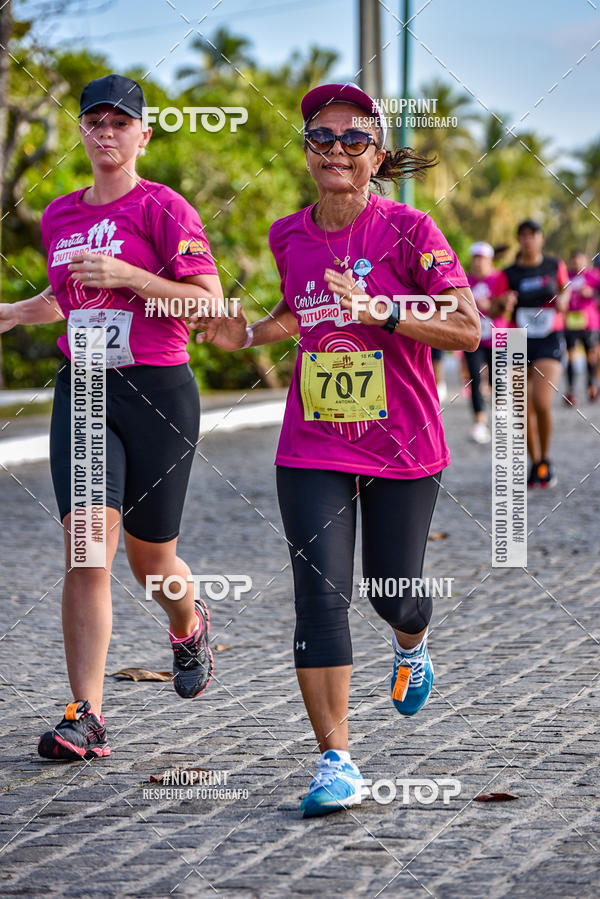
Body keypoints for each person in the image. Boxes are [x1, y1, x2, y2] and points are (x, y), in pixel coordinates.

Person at [199, 83, 479, 817]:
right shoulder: (288, 234)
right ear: (307, 152)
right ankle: (336, 759)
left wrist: (384, 308)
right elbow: (296, 309)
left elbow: (467, 325)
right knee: (321, 596)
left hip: (403, 443)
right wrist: (246, 334)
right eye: (321, 138)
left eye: (353, 139)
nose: (335, 151)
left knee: (393, 591)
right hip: (313, 441)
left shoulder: (413, 230)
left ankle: (411, 642)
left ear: (376, 156)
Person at [0, 74, 222, 760]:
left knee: (150, 560)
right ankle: (86, 714)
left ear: (142, 135)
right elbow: (68, 297)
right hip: (87, 389)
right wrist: (12, 313)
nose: (105, 133)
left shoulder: (164, 209)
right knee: (86, 546)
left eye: (119, 123)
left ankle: (187, 624)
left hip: (158, 390)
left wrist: (132, 278)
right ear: (80, 132)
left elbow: (207, 301)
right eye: (94, 122)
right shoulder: (59, 214)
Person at [495, 220, 569, 488]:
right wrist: (503, 303)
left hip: (548, 338)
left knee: (540, 401)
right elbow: (494, 310)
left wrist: (564, 302)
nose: (527, 240)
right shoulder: (509, 273)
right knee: (521, 407)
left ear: (541, 238)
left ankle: (545, 458)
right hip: (518, 340)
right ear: (518, 240)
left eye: (532, 235)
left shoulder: (553, 265)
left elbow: (565, 291)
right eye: (522, 236)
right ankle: (535, 460)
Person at [464, 241, 514, 444]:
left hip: (498, 337)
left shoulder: (500, 278)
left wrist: (493, 304)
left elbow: (509, 304)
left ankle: (502, 419)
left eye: (482, 258)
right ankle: (479, 423)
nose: (478, 263)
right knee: (474, 379)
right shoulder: (465, 280)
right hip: (473, 338)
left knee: (498, 380)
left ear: (490, 260)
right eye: (475, 258)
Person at [563, 251, 600, 406]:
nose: (576, 264)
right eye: (574, 261)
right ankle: (570, 391)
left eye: (579, 261)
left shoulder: (594, 276)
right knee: (571, 357)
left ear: (585, 261)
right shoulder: (566, 277)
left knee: (591, 356)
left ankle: (592, 386)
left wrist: (594, 293)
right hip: (570, 321)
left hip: (589, 322)